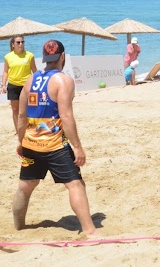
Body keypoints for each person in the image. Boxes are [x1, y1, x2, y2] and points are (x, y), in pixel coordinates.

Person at [13, 40, 98, 237]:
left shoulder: (30, 80)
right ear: (62, 57)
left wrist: (20, 141)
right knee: (75, 184)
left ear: (44, 58)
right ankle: (90, 231)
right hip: (54, 144)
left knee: (25, 187)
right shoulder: (63, 80)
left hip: (31, 142)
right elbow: (66, 116)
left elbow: (21, 116)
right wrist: (77, 147)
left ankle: (18, 228)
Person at [2, 36, 37, 132]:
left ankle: (29, 128)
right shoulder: (8, 56)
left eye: (22, 42)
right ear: (13, 45)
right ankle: (19, 130)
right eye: (18, 42)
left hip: (26, 85)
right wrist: (4, 85)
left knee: (28, 108)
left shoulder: (29, 55)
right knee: (15, 109)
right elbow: (5, 71)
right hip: (13, 85)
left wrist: (38, 82)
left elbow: (34, 70)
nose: (21, 44)